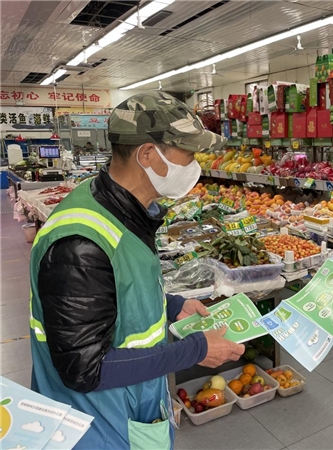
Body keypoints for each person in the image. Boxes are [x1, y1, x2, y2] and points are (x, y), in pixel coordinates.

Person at [29, 91, 244, 449]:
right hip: (96, 427)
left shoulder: (121, 209)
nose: (194, 166)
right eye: (188, 155)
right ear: (147, 154)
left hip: (130, 406)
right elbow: (85, 369)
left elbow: (118, 286)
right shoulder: (80, 245)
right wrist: (193, 351)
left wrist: (172, 304)